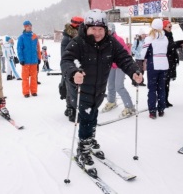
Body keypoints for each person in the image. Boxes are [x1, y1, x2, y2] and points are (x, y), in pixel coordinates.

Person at [61, 10, 143, 177]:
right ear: (87, 28)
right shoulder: (79, 42)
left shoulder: (110, 43)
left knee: (94, 113)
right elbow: (67, 60)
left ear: (105, 29)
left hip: (99, 88)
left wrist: (134, 71)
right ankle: (83, 148)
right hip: (80, 87)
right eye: (93, 29)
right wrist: (74, 71)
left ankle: (89, 138)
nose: (97, 33)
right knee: (86, 116)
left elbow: (124, 58)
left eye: (101, 29)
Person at [101, 23, 136, 117]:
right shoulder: (104, 41)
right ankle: (111, 102)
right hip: (111, 66)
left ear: (112, 30)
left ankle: (129, 107)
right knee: (111, 85)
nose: (106, 32)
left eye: (108, 30)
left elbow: (126, 53)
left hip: (120, 66)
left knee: (119, 86)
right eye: (105, 30)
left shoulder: (119, 39)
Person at [141, 18, 169, 119]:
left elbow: (143, 53)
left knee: (152, 89)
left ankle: (152, 111)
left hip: (153, 64)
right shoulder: (165, 38)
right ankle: (161, 109)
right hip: (164, 64)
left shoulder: (150, 38)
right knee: (161, 88)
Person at [60, 16, 84, 122]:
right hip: (70, 65)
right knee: (71, 88)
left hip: (74, 65)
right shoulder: (69, 37)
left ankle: (70, 108)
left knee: (72, 88)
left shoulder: (73, 35)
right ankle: (72, 111)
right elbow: (67, 54)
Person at [162, 19, 183, 107]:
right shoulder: (163, 35)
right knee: (164, 82)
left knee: (167, 82)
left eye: (171, 26)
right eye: (169, 26)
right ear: (164, 27)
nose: (171, 28)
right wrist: (177, 44)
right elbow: (167, 47)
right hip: (166, 61)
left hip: (170, 60)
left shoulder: (169, 34)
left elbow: (171, 46)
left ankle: (165, 100)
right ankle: (163, 100)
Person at [17, 20, 41, 98]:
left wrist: (39, 58)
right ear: (25, 27)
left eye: (30, 26)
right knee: (25, 78)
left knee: (34, 77)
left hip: (34, 61)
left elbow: (38, 48)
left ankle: (34, 91)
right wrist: (21, 59)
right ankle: (26, 92)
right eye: (28, 26)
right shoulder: (21, 37)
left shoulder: (35, 36)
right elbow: (19, 49)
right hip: (26, 61)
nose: (29, 27)